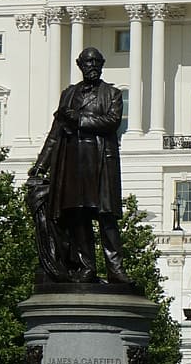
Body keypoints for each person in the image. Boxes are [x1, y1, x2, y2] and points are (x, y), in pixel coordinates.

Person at [26, 47, 129, 284]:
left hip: (100, 161)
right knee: (78, 217)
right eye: (87, 62)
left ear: (102, 64)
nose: (92, 65)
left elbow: (112, 122)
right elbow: (55, 133)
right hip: (73, 163)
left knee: (106, 218)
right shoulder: (69, 95)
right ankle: (86, 267)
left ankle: (115, 268)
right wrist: (41, 165)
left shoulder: (112, 94)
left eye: (96, 61)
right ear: (79, 65)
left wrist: (79, 119)